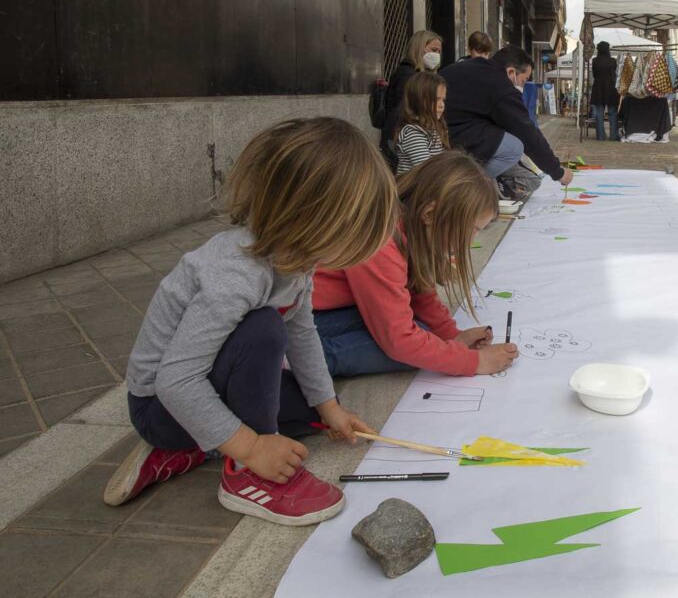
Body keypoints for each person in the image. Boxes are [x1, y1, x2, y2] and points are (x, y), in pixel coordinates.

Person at [103, 118, 397, 526]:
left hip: (197, 393)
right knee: (263, 330)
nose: (360, 249)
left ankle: (196, 448)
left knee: (303, 413)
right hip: (159, 408)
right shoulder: (236, 273)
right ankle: (242, 475)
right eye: (353, 232)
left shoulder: (298, 259)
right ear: (310, 218)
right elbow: (175, 380)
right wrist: (255, 449)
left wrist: (330, 409)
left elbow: (303, 332)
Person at [312, 152, 519, 377]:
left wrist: (450, 335)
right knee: (413, 345)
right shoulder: (380, 239)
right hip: (295, 319)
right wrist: (474, 362)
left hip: (325, 310)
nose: (470, 242)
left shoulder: (409, 228)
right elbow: (400, 342)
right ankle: (300, 361)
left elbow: (420, 292)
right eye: (471, 230)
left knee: (423, 335)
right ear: (430, 213)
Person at [440, 44, 573, 185]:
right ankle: (470, 186)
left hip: (438, 131)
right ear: (511, 72)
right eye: (523, 81)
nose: (522, 87)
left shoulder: (469, 67)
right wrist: (557, 172)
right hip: (451, 138)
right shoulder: (502, 86)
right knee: (513, 147)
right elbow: (527, 133)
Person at [381, 30, 443, 160]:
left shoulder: (417, 74)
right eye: (433, 50)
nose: (437, 55)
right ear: (419, 48)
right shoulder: (407, 75)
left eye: (439, 51)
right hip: (399, 135)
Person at [393, 71, 449, 175]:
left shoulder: (436, 129)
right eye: (436, 99)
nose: (442, 105)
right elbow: (427, 172)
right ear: (419, 99)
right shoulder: (413, 133)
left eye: (443, 100)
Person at [590, 41, 619, 141]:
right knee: (612, 113)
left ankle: (600, 136)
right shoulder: (613, 61)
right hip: (611, 87)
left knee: (599, 113)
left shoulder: (595, 61)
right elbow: (614, 73)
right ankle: (614, 136)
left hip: (598, 87)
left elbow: (594, 75)